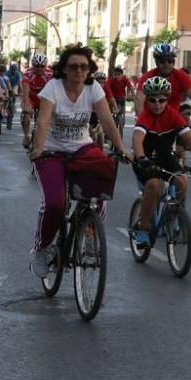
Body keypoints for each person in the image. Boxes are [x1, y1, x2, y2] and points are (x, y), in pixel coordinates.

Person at [28, 45, 129, 277]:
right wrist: (38, 149)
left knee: (101, 191)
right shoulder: (52, 87)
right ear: (63, 69)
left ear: (90, 69)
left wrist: (122, 149)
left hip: (82, 148)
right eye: (73, 66)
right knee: (56, 203)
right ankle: (41, 248)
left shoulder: (94, 89)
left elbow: (106, 120)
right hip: (52, 151)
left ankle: (91, 234)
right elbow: (42, 122)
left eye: (84, 66)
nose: (79, 71)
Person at [130, 76, 191, 247]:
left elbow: (189, 139)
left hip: (164, 157)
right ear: (147, 101)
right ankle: (143, 229)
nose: (158, 104)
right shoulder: (145, 117)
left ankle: (174, 214)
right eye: (153, 100)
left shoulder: (173, 115)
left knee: (182, 180)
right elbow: (137, 140)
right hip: (146, 159)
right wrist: (141, 158)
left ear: (167, 100)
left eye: (162, 100)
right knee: (155, 186)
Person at [135, 43, 191, 127]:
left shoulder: (181, 76)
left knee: (186, 133)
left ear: (174, 62)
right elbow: (139, 99)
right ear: (156, 62)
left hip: (173, 117)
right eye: (162, 61)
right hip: (152, 117)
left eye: (170, 60)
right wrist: (141, 120)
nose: (166, 64)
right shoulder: (148, 76)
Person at [21, 53, 53, 148]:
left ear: (46, 66)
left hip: (44, 98)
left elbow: (54, 91)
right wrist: (27, 106)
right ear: (32, 65)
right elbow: (25, 91)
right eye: (37, 66)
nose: (39, 69)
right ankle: (26, 136)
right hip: (31, 97)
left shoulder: (50, 75)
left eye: (42, 66)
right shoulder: (27, 74)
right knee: (26, 115)